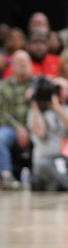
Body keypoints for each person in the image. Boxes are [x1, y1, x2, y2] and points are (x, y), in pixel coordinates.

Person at [0, 50, 34, 189]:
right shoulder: (3, 86)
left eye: (25, 62)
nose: (22, 65)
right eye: (19, 62)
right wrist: (18, 128)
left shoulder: (39, 83)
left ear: (30, 64)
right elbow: (1, 112)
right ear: (12, 65)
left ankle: (43, 175)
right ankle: (6, 175)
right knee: (0, 137)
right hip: (11, 128)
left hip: (36, 127)